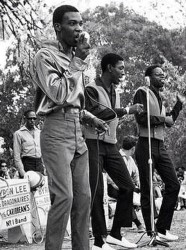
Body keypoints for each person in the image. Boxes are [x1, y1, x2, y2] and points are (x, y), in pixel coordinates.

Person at [30, 5, 108, 250]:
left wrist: (90, 118)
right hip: (55, 132)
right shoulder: (45, 56)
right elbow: (59, 93)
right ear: (57, 27)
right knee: (64, 197)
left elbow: (74, 102)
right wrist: (79, 62)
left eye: (81, 24)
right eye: (72, 24)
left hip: (77, 131)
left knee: (83, 199)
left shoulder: (74, 59)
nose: (79, 29)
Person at [84, 53, 143, 250]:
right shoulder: (91, 88)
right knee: (97, 191)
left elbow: (112, 116)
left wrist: (124, 111)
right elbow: (98, 114)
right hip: (92, 143)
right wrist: (127, 110)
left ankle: (115, 234)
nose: (123, 72)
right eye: (121, 68)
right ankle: (99, 242)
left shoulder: (115, 92)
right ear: (109, 68)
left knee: (127, 187)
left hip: (111, 144)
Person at [133, 65, 184, 241]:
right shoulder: (142, 92)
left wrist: (179, 104)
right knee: (147, 189)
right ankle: (151, 232)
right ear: (148, 77)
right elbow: (141, 118)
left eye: (163, 75)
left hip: (159, 146)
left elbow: (168, 121)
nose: (162, 77)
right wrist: (163, 119)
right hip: (145, 144)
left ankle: (162, 229)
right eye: (158, 75)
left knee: (174, 184)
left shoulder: (159, 97)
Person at [107, 135, 145, 233]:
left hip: (125, 186)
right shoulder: (117, 157)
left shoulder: (130, 159)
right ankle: (138, 224)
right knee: (126, 196)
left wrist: (139, 183)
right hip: (112, 187)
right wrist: (120, 186)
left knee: (131, 192)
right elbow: (109, 176)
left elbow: (136, 173)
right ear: (133, 148)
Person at [13, 110, 44, 177]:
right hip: (27, 164)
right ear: (25, 118)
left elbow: (43, 151)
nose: (32, 120)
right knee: (29, 185)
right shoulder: (18, 133)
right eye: (30, 118)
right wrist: (22, 172)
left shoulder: (39, 132)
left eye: (34, 118)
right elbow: (17, 156)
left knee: (41, 186)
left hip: (39, 164)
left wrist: (44, 167)